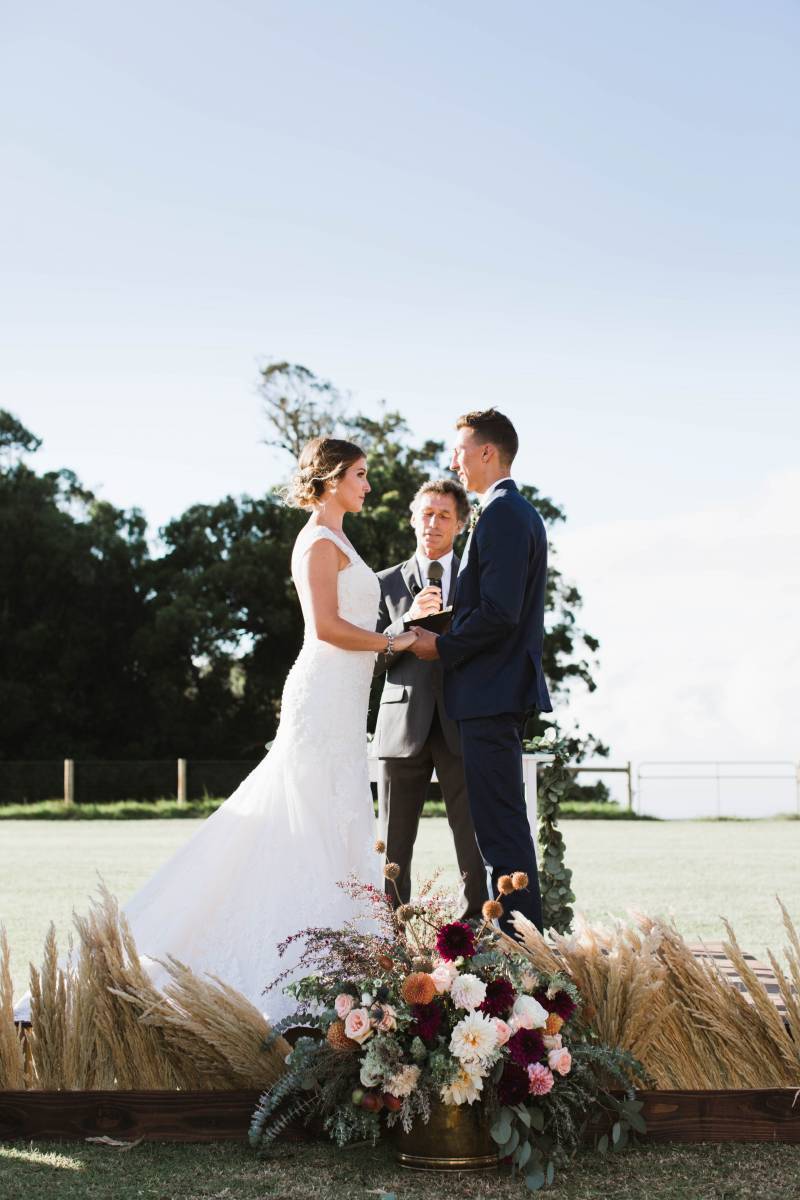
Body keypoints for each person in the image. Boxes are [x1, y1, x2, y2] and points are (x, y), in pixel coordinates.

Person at [15, 437, 418, 1026]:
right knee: (299, 819)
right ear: (331, 479)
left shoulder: (344, 542)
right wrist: (393, 641)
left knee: (335, 822)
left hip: (345, 700)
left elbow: (357, 615)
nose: (367, 485)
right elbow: (327, 627)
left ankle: (335, 959)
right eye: (359, 474)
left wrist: (404, 621)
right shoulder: (316, 542)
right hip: (322, 695)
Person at [409, 409, 552, 935]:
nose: (454, 461)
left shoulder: (504, 515)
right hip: (492, 693)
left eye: (460, 451)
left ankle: (521, 951)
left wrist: (440, 646)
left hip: (491, 695)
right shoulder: (508, 514)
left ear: (487, 452)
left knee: (501, 830)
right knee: (500, 826)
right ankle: (521, 945)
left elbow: (500, 613)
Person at [373, 479, 489, 920]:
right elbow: (368, 661)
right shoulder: (383, 583)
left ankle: (476, 928)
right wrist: (406, 621)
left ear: (460, 524)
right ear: (412, 518)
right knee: (393, 838)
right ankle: (390, 933)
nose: (433, 523)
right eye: (426, 513)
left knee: (472, 834)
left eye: (443, 515)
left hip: (463, 719)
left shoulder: (479, 582)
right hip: (402, 725)